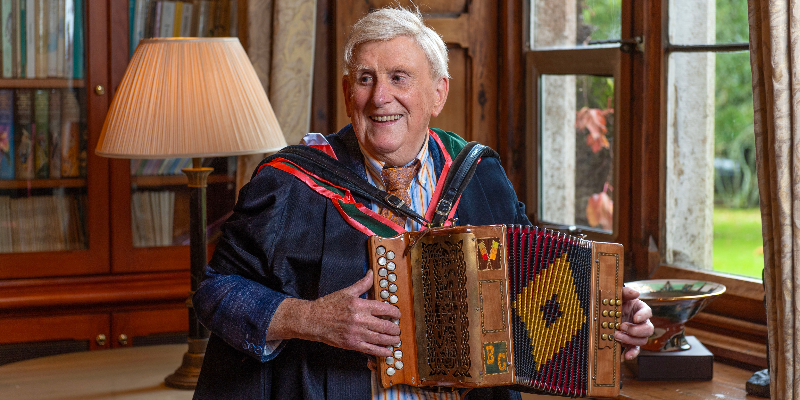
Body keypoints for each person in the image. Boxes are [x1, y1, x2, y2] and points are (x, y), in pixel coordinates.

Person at [192, 7, 653, 400]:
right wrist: (309, 318)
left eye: (399, 78)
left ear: (438, 92)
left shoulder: (478, 176)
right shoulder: (290, 183)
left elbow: (530, 293)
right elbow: (213, 293)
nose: (380, 98)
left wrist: (606, 319)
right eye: (366, 80)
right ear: (347, 92)